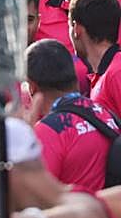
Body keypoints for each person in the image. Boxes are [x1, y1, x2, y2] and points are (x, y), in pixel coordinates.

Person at [27, 37, 119, 192]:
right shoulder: (105, 114)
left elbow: (32, 200)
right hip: (108, 213)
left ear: (32, 87)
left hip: (71, 214)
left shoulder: (48, 131)